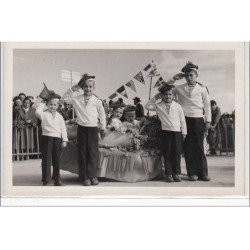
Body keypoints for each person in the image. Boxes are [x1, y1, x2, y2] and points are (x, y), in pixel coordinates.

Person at [170, 61, 211, 181]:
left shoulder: (202, 89)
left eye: (191, 75)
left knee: (199, 146)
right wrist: (173, 78)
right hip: (184, 119)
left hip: (198, 119)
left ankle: (203, 173)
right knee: (188, 147)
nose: (189, 78)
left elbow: (207, 105)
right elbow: (163, 89)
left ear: (196, 75)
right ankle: (191, 173)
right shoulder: (178, 88)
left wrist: (208, 121)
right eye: (186, 75)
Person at [64, 73, 106, 186]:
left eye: (91, 87)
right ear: (82, 88)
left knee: (93, 153)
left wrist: (102, 128)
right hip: (81, 129)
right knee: (82, 152)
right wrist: (73, 88)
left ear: (94, 88)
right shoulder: (76, 99)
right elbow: (65, 98)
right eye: (86, 86)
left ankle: (93, 176)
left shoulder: (97, 101)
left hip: (93, 129)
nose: (88, 89)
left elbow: (102, 115)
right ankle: (84, 177)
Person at [145, 84, 187, 182]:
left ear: (173, 96)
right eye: (165, 95)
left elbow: (182, 120)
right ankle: (169, 174)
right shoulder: (158, 106)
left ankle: (176, 174)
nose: (168, 96)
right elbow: (147, 105)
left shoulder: (178, 106)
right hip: (165, 132)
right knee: (167, 153)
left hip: (177, 132)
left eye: (170, 94)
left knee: (176, 153)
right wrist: (156, 97)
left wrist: (184, 132)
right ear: (162, 96)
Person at [35, 92, 68, 186]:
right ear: (47, 105)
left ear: (58, 106)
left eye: (55, 105)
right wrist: (42, 102)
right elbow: (37, 112)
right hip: (47, 138)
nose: (52, 106)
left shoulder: (60, 116)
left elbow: (63, 129)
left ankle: (57, 179)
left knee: (56, 159)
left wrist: (65, 140)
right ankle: (46, 180)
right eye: (50, 104)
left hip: (57, 139)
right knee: (46, 159)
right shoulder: (44, 114)